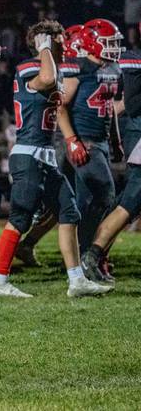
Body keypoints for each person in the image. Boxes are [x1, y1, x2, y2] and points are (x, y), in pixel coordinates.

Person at [0, 20, 110, 298]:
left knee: (69, 211)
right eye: (58, 40)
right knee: (20, 217)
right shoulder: (30, 67)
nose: (65, 44)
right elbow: (47, 80)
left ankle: (76, 280)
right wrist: (44, 48)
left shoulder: (51, 66)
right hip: (28, 156)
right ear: (44, 42)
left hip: (45, 157)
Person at [55, 19, 124, 256]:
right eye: (108, 42)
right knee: (106, 194)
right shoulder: (77, 67)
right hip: (84, 140)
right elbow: (60, 107)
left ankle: (86, 254)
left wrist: (115, 139)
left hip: (101, 139)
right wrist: (71, 139)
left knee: (86, 201)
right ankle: (87, 253)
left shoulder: (113, 68)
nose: (113, 47)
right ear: (92, 42)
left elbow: (109, 108)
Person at [81, 44, 141, 283]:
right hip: (137, 132)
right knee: (130, 201)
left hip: (133, 131)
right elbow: (133, 103)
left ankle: (96, 254)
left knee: (130, 202)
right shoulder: (133, 60)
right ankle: (92, 254)